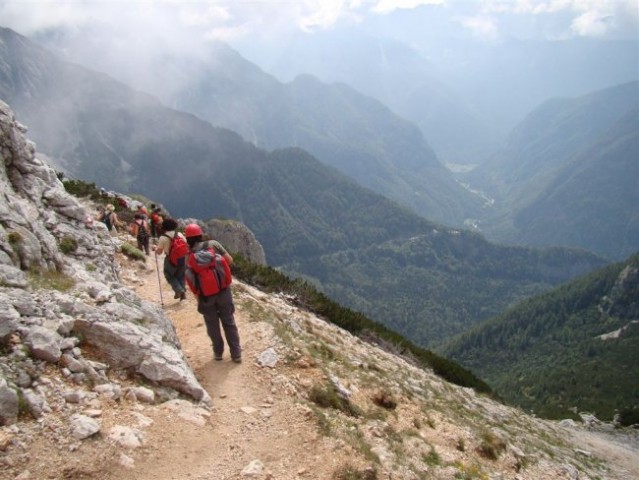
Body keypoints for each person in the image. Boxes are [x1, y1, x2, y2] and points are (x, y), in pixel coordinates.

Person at [184, 223, 242, 363]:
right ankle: (236, 353)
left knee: (212, 324)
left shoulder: (189, 255)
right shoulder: (213, 244)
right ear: (200, 234)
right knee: (228, 321)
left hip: (205, 295)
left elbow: (190, 278)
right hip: (223, 291)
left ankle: (218, 352)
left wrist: (198, 295)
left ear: (188, 239)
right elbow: (229, 260)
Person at [155, 218, 187, 301]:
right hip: (182, 258)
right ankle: (182, 292)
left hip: (170, 260)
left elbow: (159, 252)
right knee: (181, 275)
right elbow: (186, 244)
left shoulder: (163, 237)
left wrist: (155, 249)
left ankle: (179, 290)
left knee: (169, 275)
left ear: (164, 226)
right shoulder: (179, 234)